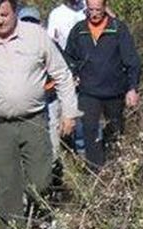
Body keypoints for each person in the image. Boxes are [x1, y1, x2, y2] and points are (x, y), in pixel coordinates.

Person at [0, 0, 79, 229]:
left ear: (14, 11)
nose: (0, 20)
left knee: (42, 181)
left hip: (33, 122)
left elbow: (61, 74)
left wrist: (69, 112)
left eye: (4, 14)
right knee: (6, 188)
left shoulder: (35, 36)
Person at [64, 0, 141, 172]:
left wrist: (132, 88)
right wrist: (74, 72)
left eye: (98, 10)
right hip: (88, 91)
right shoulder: (79, 30)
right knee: (90, 130)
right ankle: (95, 172)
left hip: (114, 90)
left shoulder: (118, 29)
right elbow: (68, 56)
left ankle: (116, 168)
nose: (94, 14)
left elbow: (132, 61)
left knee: (115, 130)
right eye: (90, 10)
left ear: (105, 8)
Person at [45, 0, 87, 155]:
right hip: (67, 73)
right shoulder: (57, 15)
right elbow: (51, 45)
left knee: (90, 118)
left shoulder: (89, 7)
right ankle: (78, 156)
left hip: (91, 72)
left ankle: (90, 160)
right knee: (73, 117)